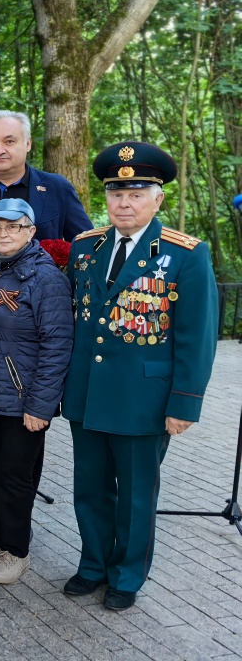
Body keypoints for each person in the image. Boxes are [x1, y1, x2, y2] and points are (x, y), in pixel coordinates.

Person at [62, 142, 217, 611]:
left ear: (158, 198)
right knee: (89, 487)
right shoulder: (85, 248)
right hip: (88, 395)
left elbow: (197, 336)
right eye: (115, 193)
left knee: (133, 494)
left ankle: (126, 576)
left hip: (143, 400)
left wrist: (184, 403)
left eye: (136, 192)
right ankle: (93, 564)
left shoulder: (185, 255)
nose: (124, 203)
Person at [0, 109, 91, 528]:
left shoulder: (56, 189)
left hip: (29, 330)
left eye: (9, 140)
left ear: (27, 144)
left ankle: (15, 514)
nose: (0, 149)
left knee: (26, 430)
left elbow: (83, 251)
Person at [0, 198, 72, 584]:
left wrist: (40, 405)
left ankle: (16, 550)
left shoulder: (47, 278)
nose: (4, 234)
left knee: (16, 476)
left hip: (24, 399)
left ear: (31, 231)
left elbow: (57, 347)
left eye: (14, 226)